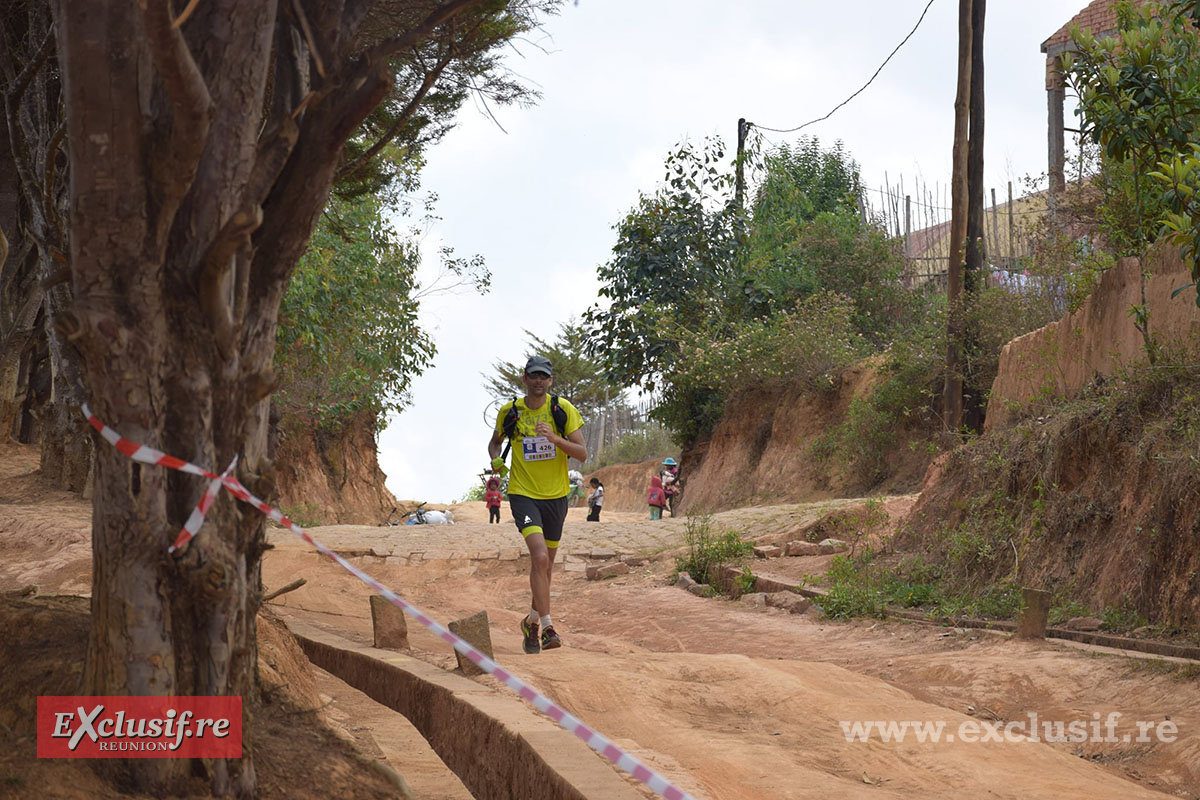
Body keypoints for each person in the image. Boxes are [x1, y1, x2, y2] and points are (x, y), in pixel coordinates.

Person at [487, 355, 587, 654]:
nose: (539, 380)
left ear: (550, 380)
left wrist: (555, 439)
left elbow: (582, 453)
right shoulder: (511, 411)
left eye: (544, 376)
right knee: (540, 557)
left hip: (556, 497)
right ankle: (547, 627)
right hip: (522, 492)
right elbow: (494, 441)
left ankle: (530, 622)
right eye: (534, 375)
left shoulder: (562, 409)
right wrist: (494, 458)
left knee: (546, 567)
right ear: (525, 378)